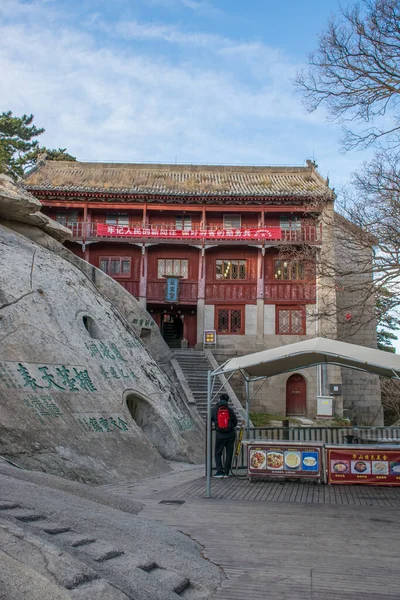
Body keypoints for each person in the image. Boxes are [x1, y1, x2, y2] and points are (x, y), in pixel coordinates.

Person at [211, 393, 237, 478]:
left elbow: (209, 419)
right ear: (227, 400)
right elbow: (235, 422)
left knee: (218, 453)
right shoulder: (229, 410)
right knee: (229, 453)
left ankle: (219, 472)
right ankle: (226, 472)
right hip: (230, 435)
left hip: (220, 435)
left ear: (219, 399)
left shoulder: (214, 409)